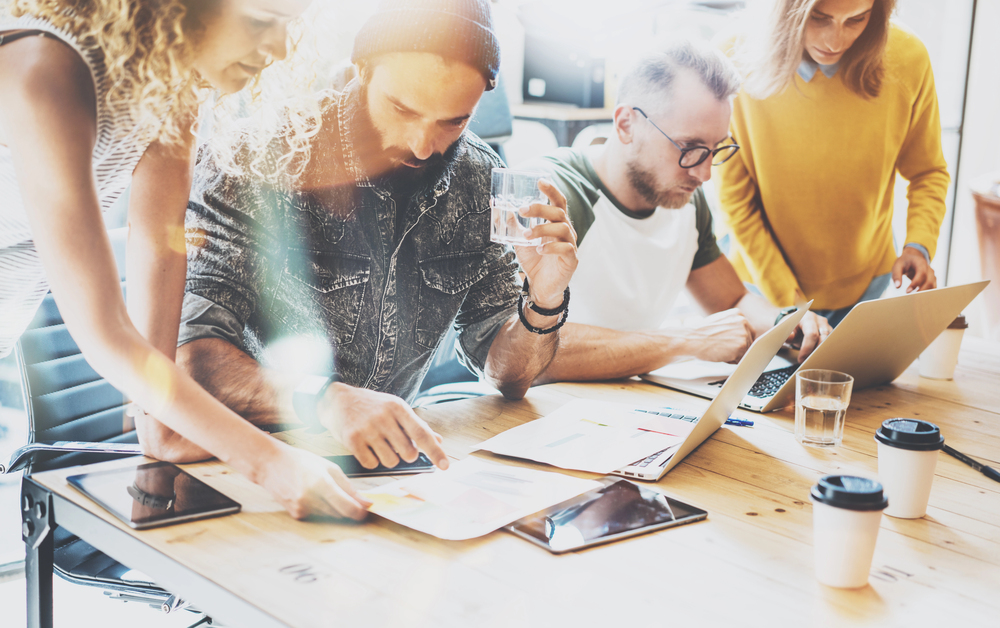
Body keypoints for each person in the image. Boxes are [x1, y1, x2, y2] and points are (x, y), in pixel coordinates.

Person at [140, 0, 579, 473]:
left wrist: (543, 299)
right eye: (402, 109)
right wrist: (327, 401)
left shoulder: (477, 179)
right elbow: (188, 362)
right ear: (361, 70)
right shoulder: (251, 161)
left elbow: (507, 376)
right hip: (245, 461)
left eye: (453, 121)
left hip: (391, 467)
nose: (422, 146)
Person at [0, 1, 379, 521]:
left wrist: (160, 424)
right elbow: (107, 335)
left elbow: (160, 241)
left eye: (290, 27)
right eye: (260, 21)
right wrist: (269, 463)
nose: (277, 50)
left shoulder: (170, 87)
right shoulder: (43, 70)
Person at [520, 41, 831, 384]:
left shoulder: (685, 200)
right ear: (626, 124)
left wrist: (786, 323)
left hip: (630, 400)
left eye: (716, 149)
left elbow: (732, 299)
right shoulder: (550, 194)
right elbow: (523, 349)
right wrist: (688, 342)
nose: (704, 174)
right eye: (689, 148)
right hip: (548, 406)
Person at [717, 0, 949, 326]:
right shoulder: (731, 58)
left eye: (856, 19)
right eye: (819, 18)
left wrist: (918, 246)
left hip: (867, 283)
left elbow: (928, 171)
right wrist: (790, 304)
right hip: (763, 287)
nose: (834, 41)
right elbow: (735, 201)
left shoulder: (908, 57)